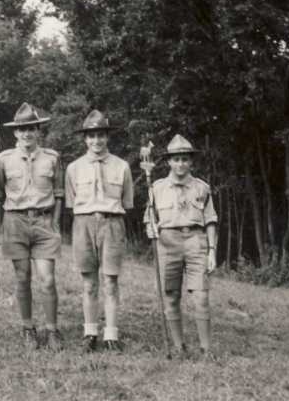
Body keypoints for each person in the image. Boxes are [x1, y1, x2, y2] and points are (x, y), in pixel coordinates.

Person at [0, 103, 65, 351]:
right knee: (22, 278)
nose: (27, 134)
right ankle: (28, 328)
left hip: (44, 222)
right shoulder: (4, 159)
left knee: (47, 279)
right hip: (15, 222)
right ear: (15, 132)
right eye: (22, 129)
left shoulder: (52, 158)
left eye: (31, 128)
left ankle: (52, 330)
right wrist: (1, 227)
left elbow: (59, 193)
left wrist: (54, 222)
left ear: (38, 130)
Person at [64, 110, 134, 354]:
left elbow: (127, 203)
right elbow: (72, 205)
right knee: (89, 283)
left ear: (107, 137)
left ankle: (111, 336)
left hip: (112, 224)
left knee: (111, 282)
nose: (96, 141)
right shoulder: (73, 168)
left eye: (101, 135)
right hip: (83, 225)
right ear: (85, 139)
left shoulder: (122, 166)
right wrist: (89, 219)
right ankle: (90, 333)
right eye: (91, 136)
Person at [144, 134, 218, 360]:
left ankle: (206, 350)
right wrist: (150, 228)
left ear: (191, 161)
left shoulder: (201, 188)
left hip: (196, 241)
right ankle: (179, 346)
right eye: (176, 159)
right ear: (168, 161)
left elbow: (211, 220)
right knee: (172, 296)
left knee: (201, 297)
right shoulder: (155, 188)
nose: (180, 164)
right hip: (167, 243)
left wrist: (212, 250)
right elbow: (149, 218)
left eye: (185, 159)